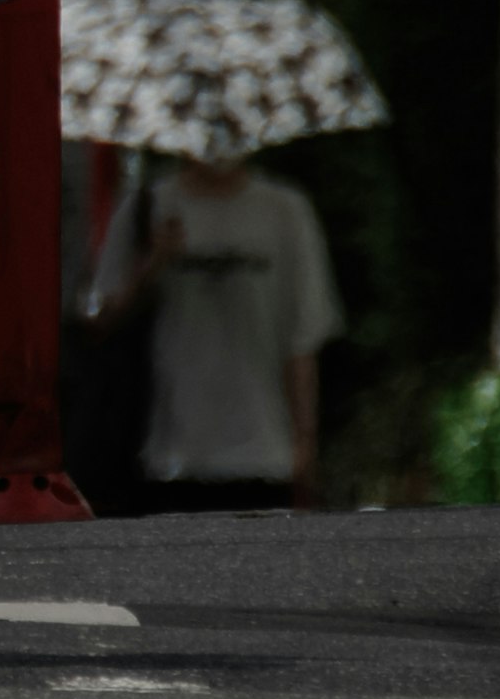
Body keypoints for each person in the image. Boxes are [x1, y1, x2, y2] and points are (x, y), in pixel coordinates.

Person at [81, 152, 344, 510]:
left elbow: (301, 340)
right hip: (165, 454)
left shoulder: (285, 209)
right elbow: (99, 323)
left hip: (264, 454)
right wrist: (152, 266)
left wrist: (305, 445)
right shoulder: (148, 206)